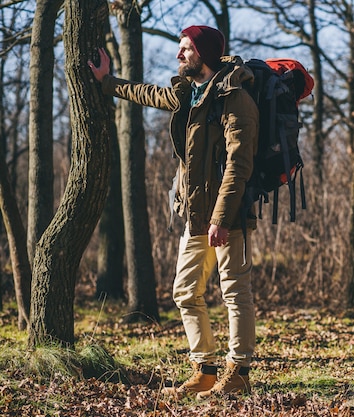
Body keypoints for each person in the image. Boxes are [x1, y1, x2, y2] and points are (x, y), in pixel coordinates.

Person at [88, 25, 258, 399]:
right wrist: (108, 81)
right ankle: (205, 369)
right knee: (184, 291)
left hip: (230, 216)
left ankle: (239, 371)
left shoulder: (235, 97)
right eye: (180, 48)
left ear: (204, 54)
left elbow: (238, 166)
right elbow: (148, 93)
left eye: (186, 49)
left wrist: (220, 218)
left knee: (234, 292)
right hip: (196, 214)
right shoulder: (189, 93)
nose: (179, 55)